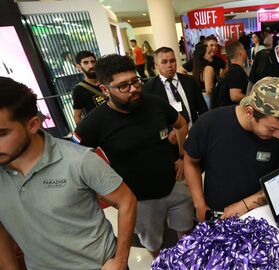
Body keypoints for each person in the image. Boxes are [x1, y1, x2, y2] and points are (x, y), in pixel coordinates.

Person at [0, 77, 137, 269]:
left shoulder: (79, 160)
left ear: (32, 125)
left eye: (1, 134)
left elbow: (126, 200)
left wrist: (120, 260)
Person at [73, 54, 192, 256]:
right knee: (154, 245)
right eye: (123, 86)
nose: (134, 89)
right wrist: (104, 191)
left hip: (174, 186)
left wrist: (181, 157)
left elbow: (180, 124)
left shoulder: (155, 103)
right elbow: (76, 157)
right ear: (105, 90)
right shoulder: (94, 122)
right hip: (139, 200)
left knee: (187, 234)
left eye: (135, 81)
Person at [184, 77, 279, 222]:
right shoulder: (210, 123)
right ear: (249, 112)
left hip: (261, 216)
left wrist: (247, 204)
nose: (278, 135)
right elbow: (190, 161)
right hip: (218, 214)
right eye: (272, 128)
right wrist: (199, 205)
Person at [143, 46, 208, 128]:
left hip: (195, 131)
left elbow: (202, 108)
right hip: (170, 137)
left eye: (172, 61)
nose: (169, 65)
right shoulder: (149, 89)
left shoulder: (190, 81)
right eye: (164, 62)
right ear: (156, 65)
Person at [72, 51, 106, 124]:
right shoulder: (79, 90)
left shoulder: (107, 80)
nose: (91, 66)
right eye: (85, 63)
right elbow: (77, 117)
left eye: (93, 61)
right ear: (78, 67)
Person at [221, 41, 249, 106]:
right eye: (243, 48)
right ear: (240, 52)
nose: (245, 51)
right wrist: (251, 99)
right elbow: (235, 96)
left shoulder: (230, 68)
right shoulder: (236, 71)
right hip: (233, 111)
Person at [192, 44, 215, 109]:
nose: (212, 54)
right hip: (208, 98)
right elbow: (209, 89)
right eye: (209, 53)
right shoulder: (208, 68)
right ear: (202, 56)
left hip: (200, 98)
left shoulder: (197, 68)